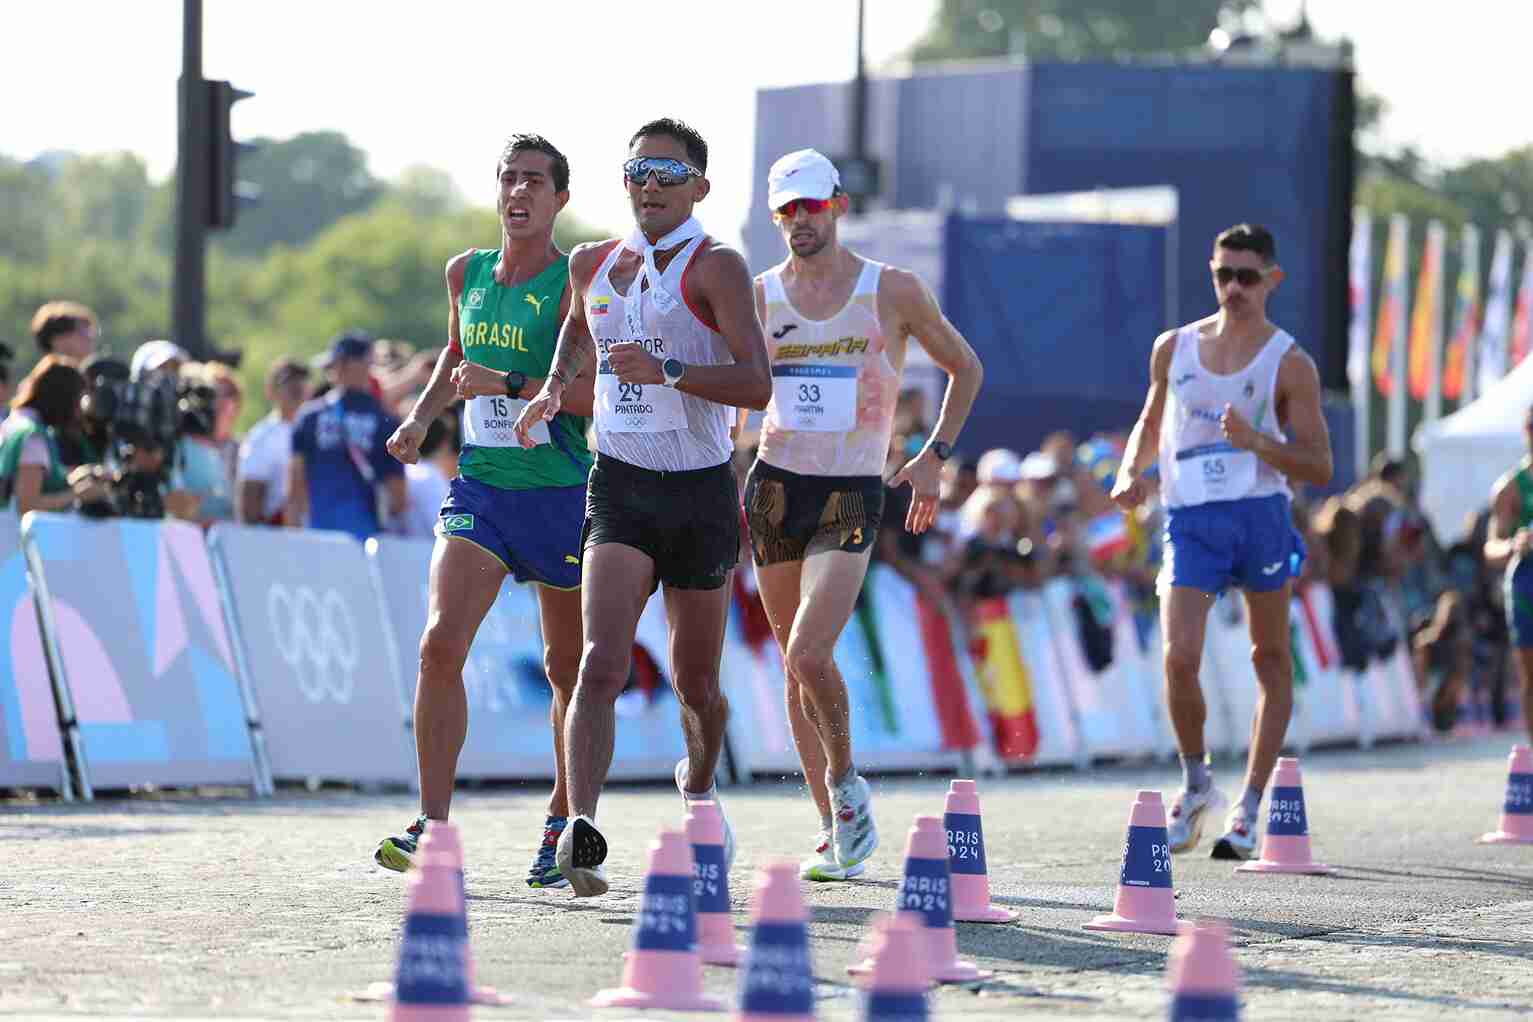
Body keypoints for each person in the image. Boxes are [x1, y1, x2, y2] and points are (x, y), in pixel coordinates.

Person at [515, 117, 772, 897]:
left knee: (697, 684)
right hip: (618, 486)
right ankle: (581, 825)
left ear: (698, 186)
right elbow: (574, 333)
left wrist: (668, 369)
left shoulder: (717, 266)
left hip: (697, 492)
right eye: (637, 173)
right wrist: (555, 391)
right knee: (599, 661)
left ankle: (697, 789)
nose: (650, 187)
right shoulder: (593, 261)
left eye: (667, 173)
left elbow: (756, 385)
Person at [741, 149, 983, 880]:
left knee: (811, 651)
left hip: (851, 488)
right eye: (786, 209)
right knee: (793, 667)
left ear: (838, 206)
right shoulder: (758, 296)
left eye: (810, 206)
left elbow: (964, 368)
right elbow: (732, 387)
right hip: (775, 486)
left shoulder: (891, 289)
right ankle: (831, 826)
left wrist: (936, 454)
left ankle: (847, 787)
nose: (798, 221)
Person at [374, 135, 597, 888]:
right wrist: (420, 415)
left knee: (566, 668)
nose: (518, 191)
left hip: (561, 491)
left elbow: (591, 395)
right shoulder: (464, 272)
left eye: (535, 180)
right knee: (440, 645)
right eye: (509, 178)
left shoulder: (575, 282)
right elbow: (452, 354)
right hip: (481, 490)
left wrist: (505, 382)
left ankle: (562, 817)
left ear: (559, 198)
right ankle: (433, 825)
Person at [1111, 224, 1332, 860]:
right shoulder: (1173, 347)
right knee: (1179, 656)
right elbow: (1150, 421)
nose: (1233, 288)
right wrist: (1131, 471)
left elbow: (1319, 465)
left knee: (1269, 657)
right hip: (1191, 517)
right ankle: (1196, 782)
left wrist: (1258, 442)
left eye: (1247, 276)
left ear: (1273, 280)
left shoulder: (1289, 362)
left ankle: (1251, 806)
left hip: (1259, 512)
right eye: (1222, 275)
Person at [287, 331, 407, 541]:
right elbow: (398, 499)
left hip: (318, 539)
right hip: (367, 543)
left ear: (341, 365)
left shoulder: (309, 417)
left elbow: (294, 491)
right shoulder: (386, 420)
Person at [0, 356, 110, 514]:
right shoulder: (32, 436)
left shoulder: (12, 423)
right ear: (63, 399)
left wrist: (74, 477)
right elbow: (26, 505)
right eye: (77, 401)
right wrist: (77, 495)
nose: (79, 412)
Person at [1482, 405, 1533, 746]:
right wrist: (1515, 544)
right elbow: (1490, 547)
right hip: (1527, 583)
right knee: (1530, 677)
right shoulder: (1510, 488)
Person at [237, 358, 311, 525]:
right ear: (271, 390)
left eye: (301, 379)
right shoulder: (260, 438)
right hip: (280, 535)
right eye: (288, 380)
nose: (296, 387)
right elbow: (250, 502)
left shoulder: (319, 430)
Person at [30, 301, 98, 362]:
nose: (90, 336)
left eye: (89, 329)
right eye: (82, 330)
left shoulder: (92, 373)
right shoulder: (51, 375)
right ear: (58, 339)